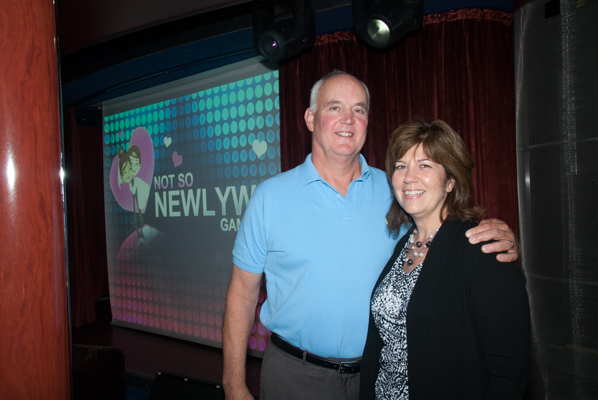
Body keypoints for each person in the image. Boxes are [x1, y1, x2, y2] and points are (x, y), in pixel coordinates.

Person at [222, 71, 520, 400]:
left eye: (359, 110)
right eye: (334, 107)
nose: (348, 119)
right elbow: (242, 294)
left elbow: (444, 230)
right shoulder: (270, 197)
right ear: (310, 117)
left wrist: (494, 233)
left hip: (376, 378)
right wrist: (234, 383)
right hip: (295, 376)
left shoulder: (398, 192)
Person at [360, 118, 530, 399]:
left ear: (451, 180)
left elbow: (508, 372)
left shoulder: (482, 250)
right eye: (401, 166)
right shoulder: (404, 244)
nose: (408, 177)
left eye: (424, 165)